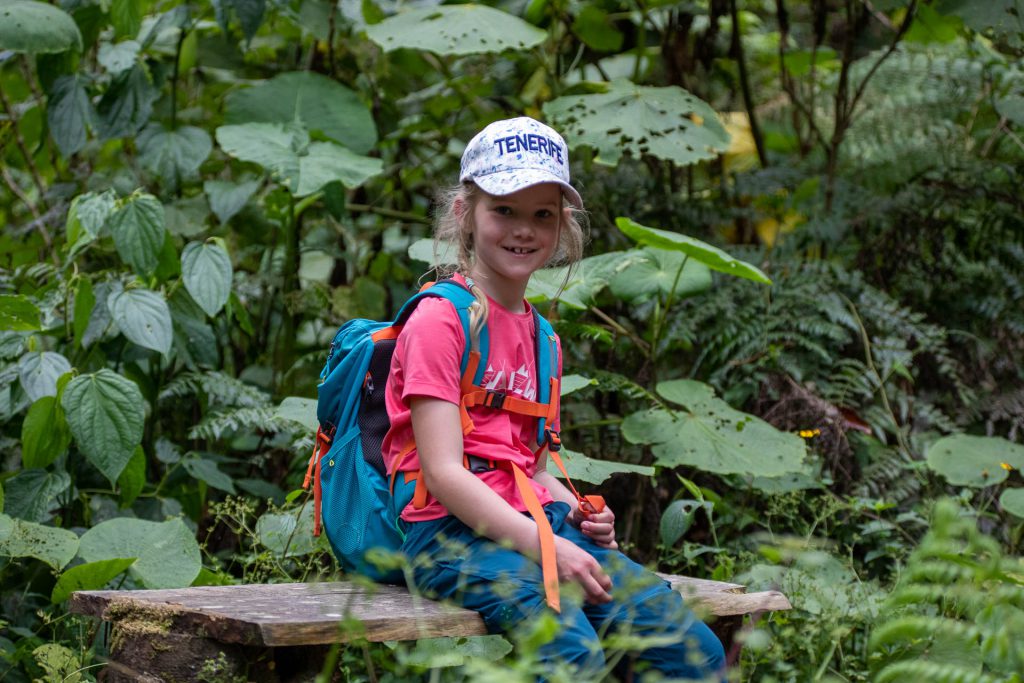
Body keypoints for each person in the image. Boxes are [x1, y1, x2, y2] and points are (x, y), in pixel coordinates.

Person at [381, 116, 725, 681]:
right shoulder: (440, 320)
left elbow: (532, 466)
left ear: (562, 225)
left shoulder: (543, 339)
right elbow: (443, 473)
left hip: (534, 523)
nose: (524, 230)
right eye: (505, 211)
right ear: (467, 215)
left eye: (542, 214)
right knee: (569, 655)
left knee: (694, 652)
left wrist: (578, 513)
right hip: (447, 533)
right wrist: (547, 548)